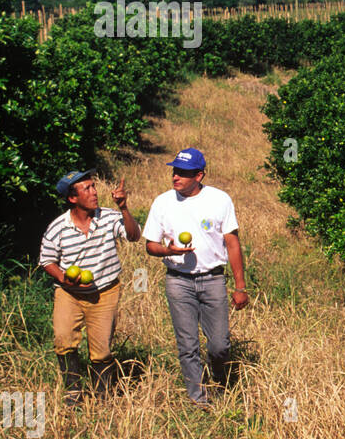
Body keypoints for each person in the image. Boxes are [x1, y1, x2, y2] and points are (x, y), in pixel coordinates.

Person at [143, 148, 248, 407]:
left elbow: (232, 243)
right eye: (174, 171)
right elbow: (150, 245)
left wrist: (240, 286)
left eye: (183, 173)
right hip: (178, 280)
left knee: (220, 346)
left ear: (199, 175)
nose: (175, 176)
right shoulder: (162, 202)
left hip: (213, 279)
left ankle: (221, 382)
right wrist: (168, 250)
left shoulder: (220, 199)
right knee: (188, 344)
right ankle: (198, 399)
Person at [39, 170, 142, 405]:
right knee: (64, 340)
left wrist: (124, 208)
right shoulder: (58, 227)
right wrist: (64, 278)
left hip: (105, 291)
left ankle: (102, 397)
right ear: (72, 198)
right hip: (69, 293)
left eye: (93, 186)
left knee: (101, 348)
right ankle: (73, 393)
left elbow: (134, 236)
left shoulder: (108, 217)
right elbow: (47, 260)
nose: (95, 192)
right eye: (87, 188)